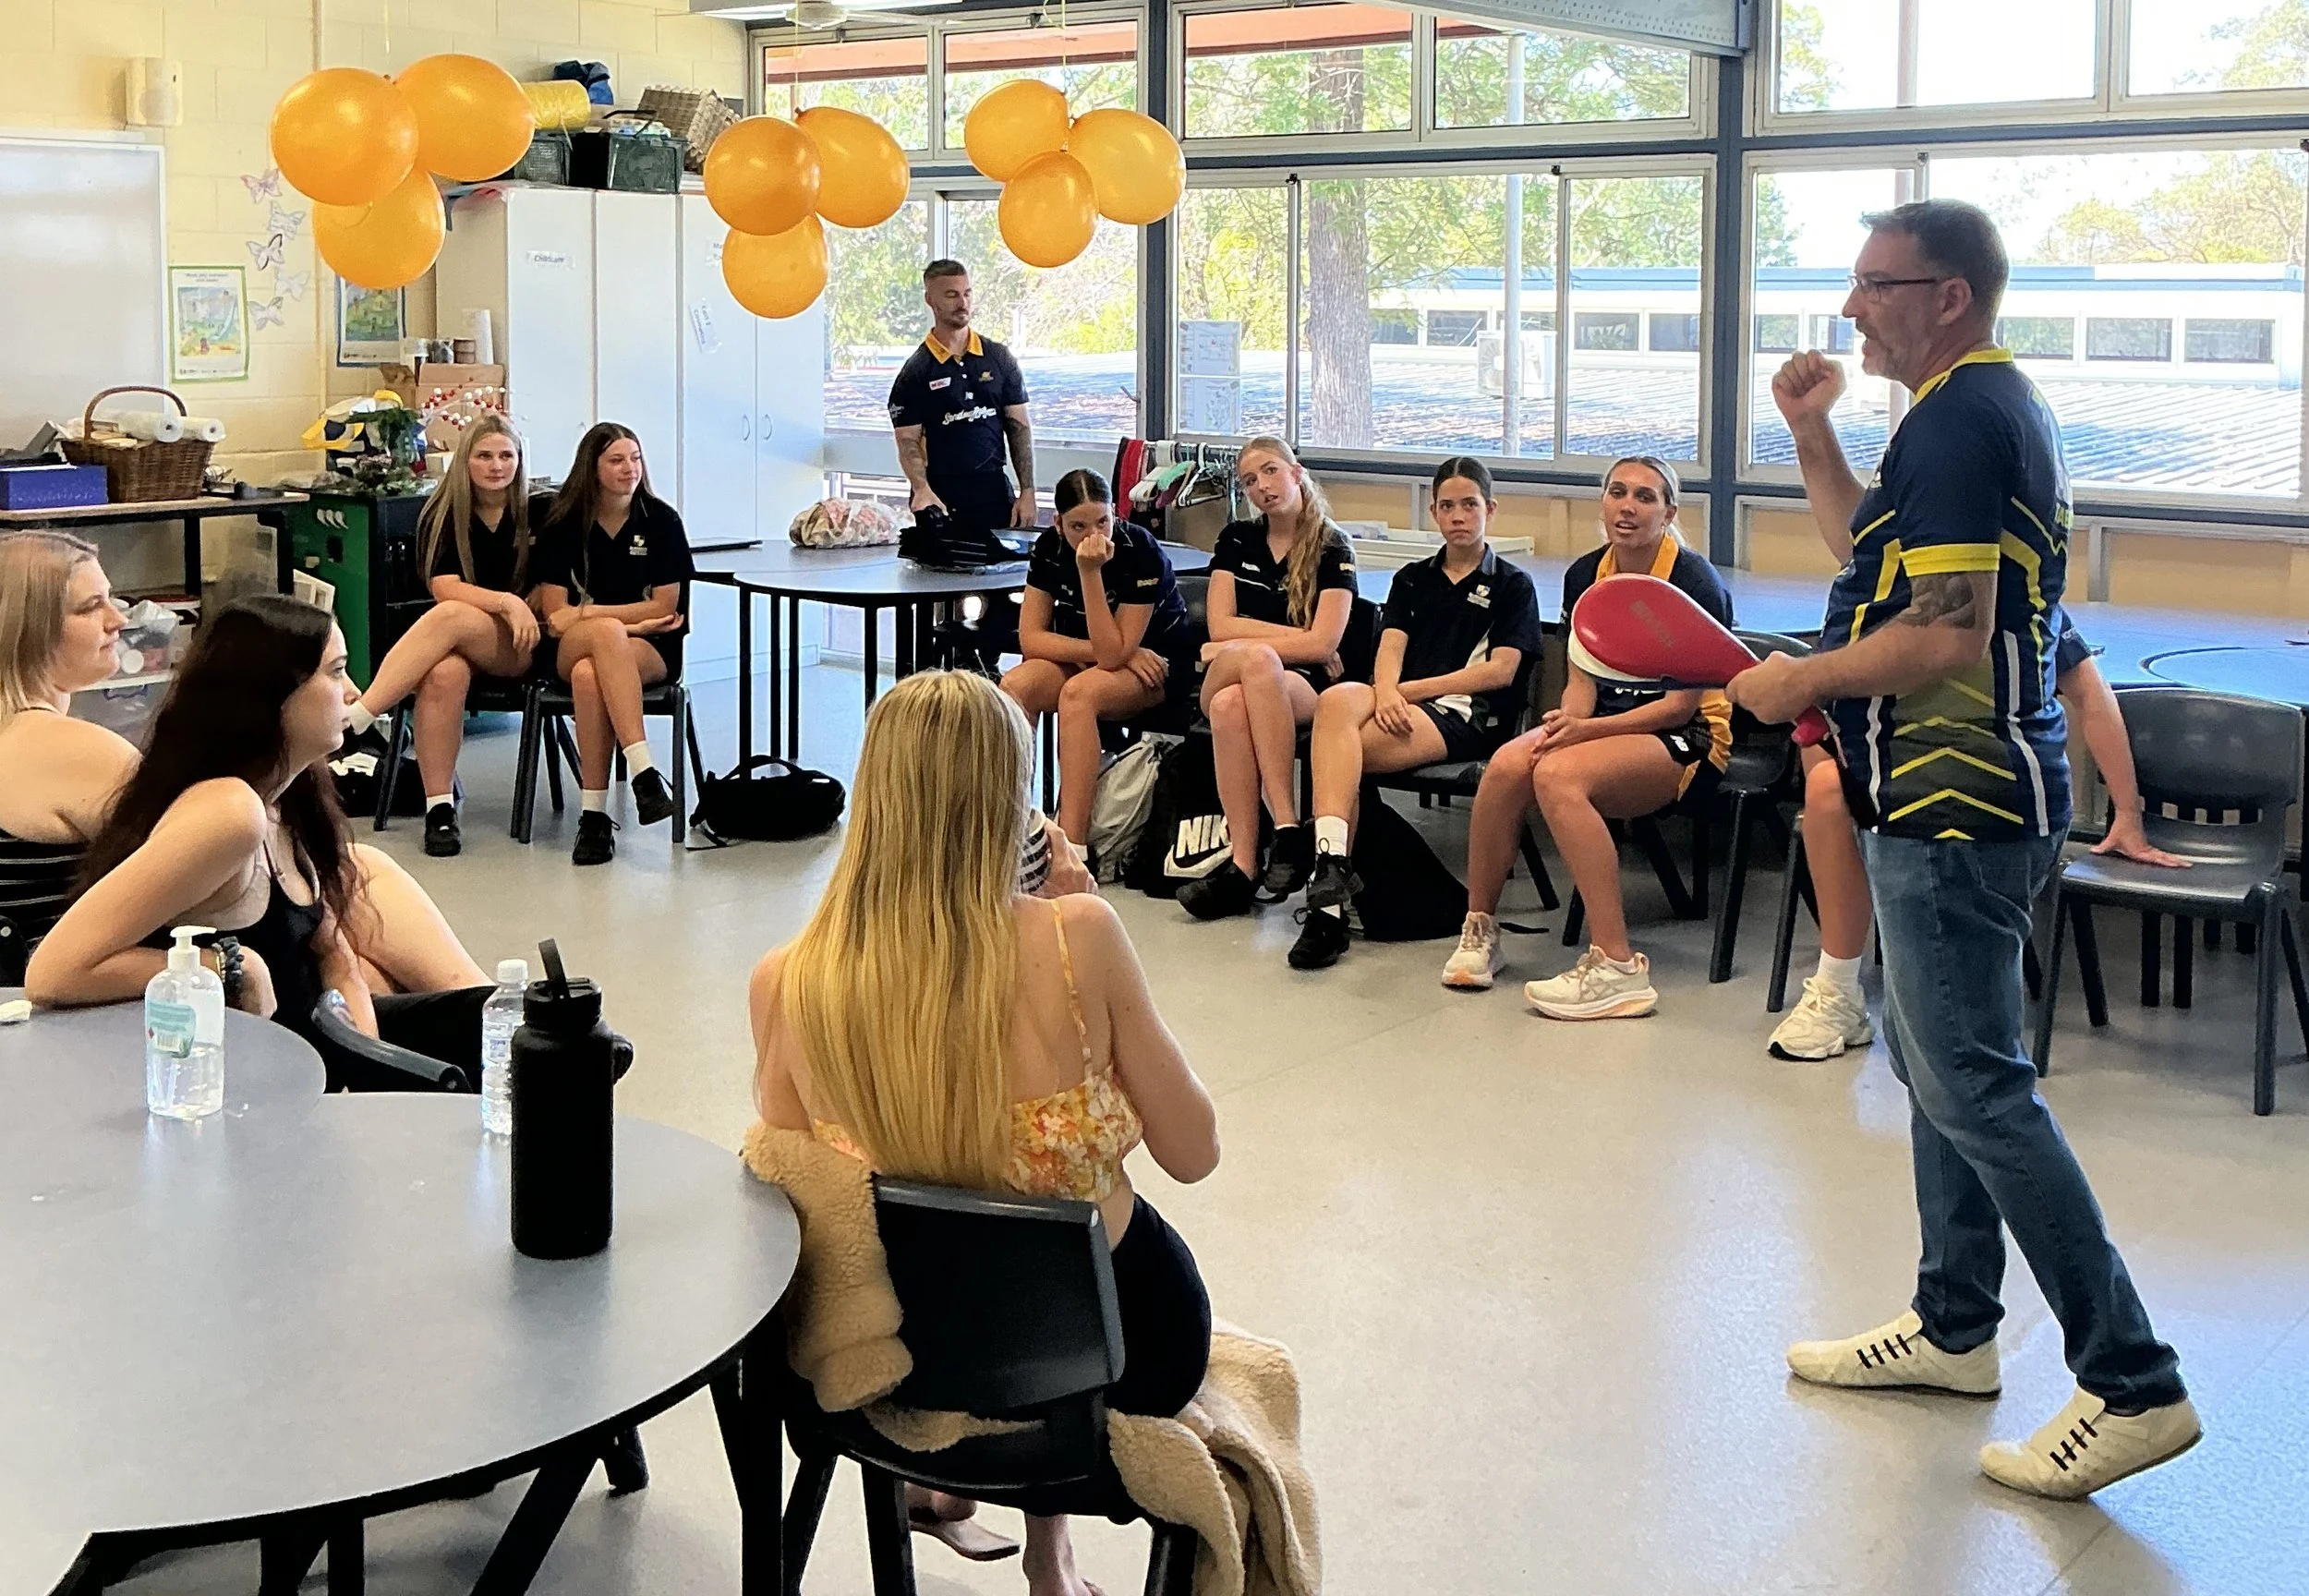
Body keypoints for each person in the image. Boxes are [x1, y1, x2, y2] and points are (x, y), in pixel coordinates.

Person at [1728, 199, 2197, 1497]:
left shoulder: (1959, 419)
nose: (1852, 305)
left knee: (1980, 1089)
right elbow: (1866, 555)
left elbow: (1943, 634)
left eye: (1877, 282)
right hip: (1960, 798)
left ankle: (2134, 1381)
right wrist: (1811, 430)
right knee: (1940, 1080)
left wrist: (1796, 681)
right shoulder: (1965, 415)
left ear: (1952, 295)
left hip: (1955, 803)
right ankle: (1953, 1325)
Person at [749, 671, 1219, 1596]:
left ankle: (944, 1488)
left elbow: (798, 1193)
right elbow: (1194, 1152)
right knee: (1051, 1240)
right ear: (1011, 802)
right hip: (1114, 1360)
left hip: (912, 1358)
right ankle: (1052, 1558)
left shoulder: (785, 983)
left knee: (961, 1233)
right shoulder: (1077, 937)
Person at [27, 595, 492, 1071]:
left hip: (311, 1067)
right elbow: (51, 972)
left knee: (501, 1021)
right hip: (235, 1094)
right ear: (274, 696)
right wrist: (228, 965)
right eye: (336, 672)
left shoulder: (291, 796)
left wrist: (365, 1084)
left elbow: (337, 959)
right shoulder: (228, 813)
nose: (353, 693)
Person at [1768, 608, 2190, 1060]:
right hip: (1882, 792)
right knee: (1827, 789)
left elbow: (2090, 692)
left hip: (1977, 805)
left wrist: (2127, 813)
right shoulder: (1864, 600)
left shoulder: (2014, 599)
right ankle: (1837, 990)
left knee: (1956, 1047)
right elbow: (1826, 719)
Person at [1442, 458, 1732, 1016]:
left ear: (1669, 513)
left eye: (1645, 498)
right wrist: (1563, 724)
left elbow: (1679, 707)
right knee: (1509, 763)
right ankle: (1479, 931)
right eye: (1617, 492)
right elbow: (1581, 681)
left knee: (1557, 774)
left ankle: (1618, 966)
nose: (1628, 506)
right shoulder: (1584, 576)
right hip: (1603, 729)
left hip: (1689, 738)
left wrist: (1586, 732)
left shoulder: (1693, 581)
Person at [1288, 456, 1541, 972]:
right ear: (1433, 513)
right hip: (1401, 704)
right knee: (1336, 704)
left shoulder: (1513, 585)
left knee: (1336, 755)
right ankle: (1333, 872)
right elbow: (1390, 647)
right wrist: (1384, 692)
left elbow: (1501, 672)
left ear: (1489, 509)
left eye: (1469, 505)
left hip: (1464, 716)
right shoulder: (1411, 579)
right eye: (1446, 506)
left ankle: (1328, 908)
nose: (1458, 516)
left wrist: (1402, 692)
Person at [341, 416, 544, 858]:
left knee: (451, 615)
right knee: (443, 673)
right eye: (485, 456)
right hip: (470, 641)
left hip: (526, 645)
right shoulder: (444, 511)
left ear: (520, 460)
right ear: (465, 461)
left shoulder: (541, 510)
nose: (496, 466)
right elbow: (443, 583)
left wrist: (514, 606)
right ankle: (439, 810)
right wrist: (505, 601)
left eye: (506, 455)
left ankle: (360, 718)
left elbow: (545, 589)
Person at [1177, 436, 1359, 922]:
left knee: (1231, 703)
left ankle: (1242, 865)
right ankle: (1286, 827)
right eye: (1250, 481)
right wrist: (1284, 637)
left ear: (1296, 472)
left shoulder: (1333, 545)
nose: (1262, 486)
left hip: (1299, 686)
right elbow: (1219, 625)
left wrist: (1239, 645)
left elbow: (1321, 646)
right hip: (1237, 671)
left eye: (1271, 471)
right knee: (1252, 668)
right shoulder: (1236, 539)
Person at [1000, 468, 1193, 849]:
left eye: (1102, 522)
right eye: (1078, 526)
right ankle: (1011, 825)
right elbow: (1032, 639)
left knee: (1079, 695)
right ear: (1057, 524)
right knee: (1015, 685)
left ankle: (1073, 845)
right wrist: (1118, 651)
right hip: (1107, 656)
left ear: (1115, 515)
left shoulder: (1140, 550)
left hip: (1158, 670)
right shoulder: (1048, 548)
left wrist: (1090, 572)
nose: (1093, 537)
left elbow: (1111, 656)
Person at [531, 422, 695, 866]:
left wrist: (589, 614)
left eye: (635, 458)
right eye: (617, 460)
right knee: (602, 639)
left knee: (591, 673)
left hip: (653, 651)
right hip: (572, 646)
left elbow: (665, 607)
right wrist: (627, 623)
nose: (630, 469)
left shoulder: (661, 521)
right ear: (593, 467)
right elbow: (554, 615)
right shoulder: (564, 523)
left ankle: (594, 819)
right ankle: (643, 770)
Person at [0, 533, 138, 955]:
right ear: (29, 628)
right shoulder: (73, 751)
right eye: (90, 606)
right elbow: (212, 891)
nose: (118, 620)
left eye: (111, 600)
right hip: (45, 1011)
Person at [889, 260, 1034, 535]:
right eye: (952, 295)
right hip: (940, 494)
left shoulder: (999, 358)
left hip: (992, 489)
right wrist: (921, 490)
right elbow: (907, 440)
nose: (962, 302)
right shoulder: (916, 370)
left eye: (967, 293)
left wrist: (1027, 491)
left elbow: (1019, 427)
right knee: (941, 574)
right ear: (930, 300)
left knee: (999, 573)